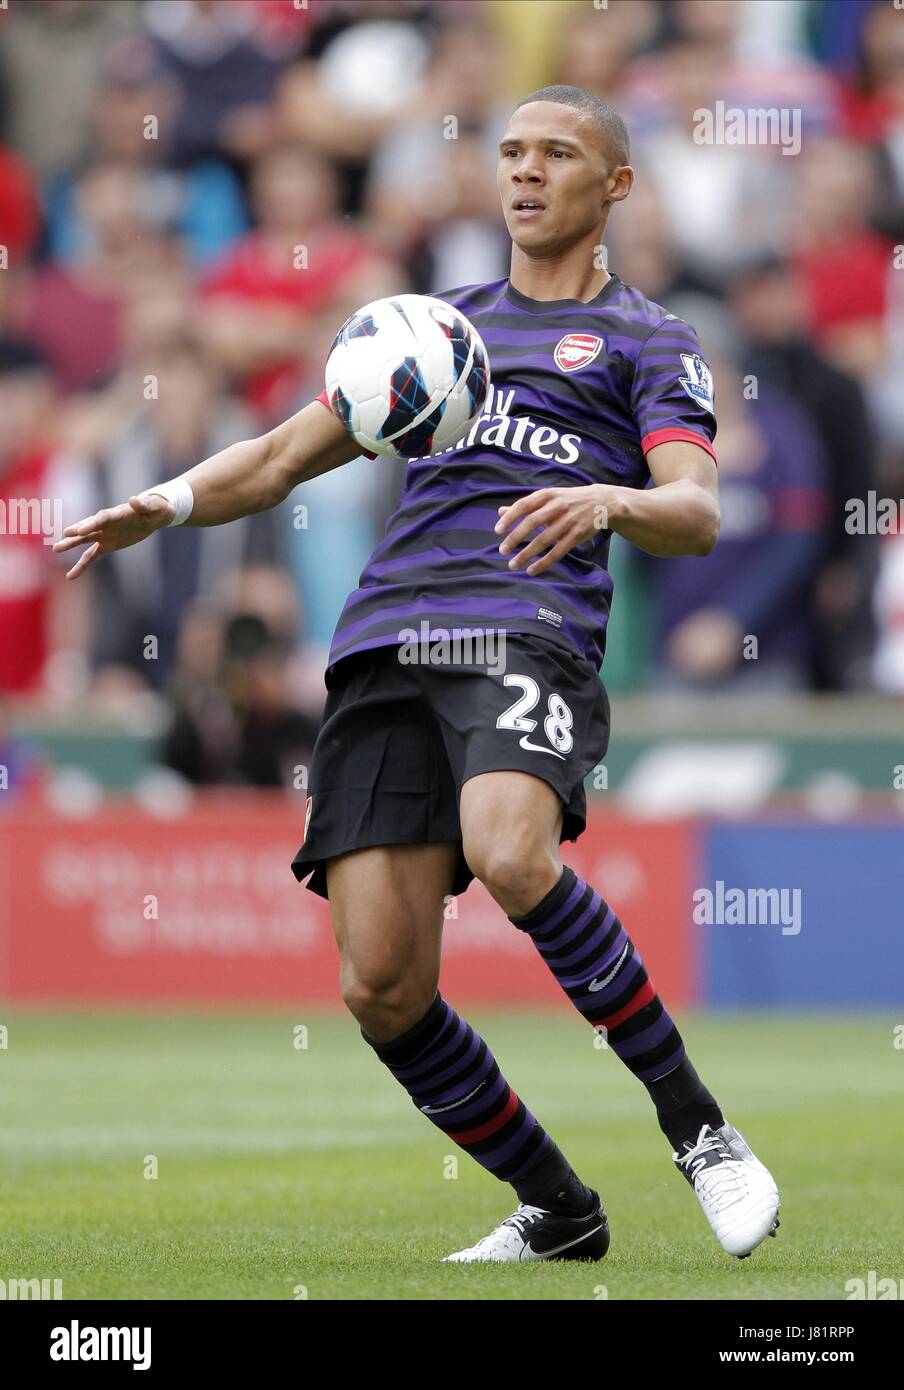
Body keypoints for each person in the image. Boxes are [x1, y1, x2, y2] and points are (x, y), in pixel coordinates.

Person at [54, 85, 780, 1265]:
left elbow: (694, 510)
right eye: (509, 153)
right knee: (380, 987)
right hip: (386, 642)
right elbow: (286, 454)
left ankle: (699, 1129)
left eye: (556, 153)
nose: (525, 172)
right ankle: (557, 1208)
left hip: (523, 628)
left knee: (508, 848)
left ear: (618, 186)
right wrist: (170, 501)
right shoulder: (433, 329)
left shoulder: (649, 340)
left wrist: (609, 496)